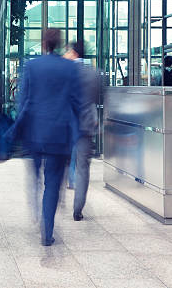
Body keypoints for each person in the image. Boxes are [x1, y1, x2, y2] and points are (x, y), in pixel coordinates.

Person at [8, 29, 82, 246]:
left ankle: (35, 210)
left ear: (43, 44)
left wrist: (18, 128)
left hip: (34, 133)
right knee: (52, 183)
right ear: (59, 45)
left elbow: (23, 101)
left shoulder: (31, 66)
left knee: (35, 177)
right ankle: (46, 229)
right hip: (59, 135)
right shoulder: (69, 68)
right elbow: (76, 103)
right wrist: (74, 131)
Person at [63, 41, 102, 221]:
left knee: (58, 162)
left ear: (73, 53)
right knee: (83, 168)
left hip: (64, 125)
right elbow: (98, 99)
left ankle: (56, 200)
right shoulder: (94, 74)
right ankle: (77, 209)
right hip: (86, 125)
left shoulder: (64, 72)